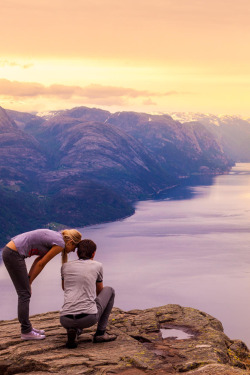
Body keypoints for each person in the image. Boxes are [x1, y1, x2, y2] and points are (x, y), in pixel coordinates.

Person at [2, 228, 82, 340]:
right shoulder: (60, 244)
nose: (74, 251)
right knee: (24, 294)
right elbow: (41, 264)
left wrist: (29, 280)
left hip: (11, 252)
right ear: (71, 242)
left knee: (25, 292)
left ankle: (27, 327)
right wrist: (28, 283)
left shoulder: (56, 238)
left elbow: (38, 261)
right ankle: (25, 331)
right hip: (13, 254)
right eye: (75, 247)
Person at [60, 239, 116, 349]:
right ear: (93, 253)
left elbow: (64, 288)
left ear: (77, 253)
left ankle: (74, 331)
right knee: (110, 290)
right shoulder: (97, 265)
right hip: (88, 318)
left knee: (75, 309)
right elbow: (99, 292)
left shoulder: (65, 266)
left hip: (65, 319)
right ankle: (100, 333)